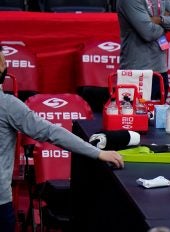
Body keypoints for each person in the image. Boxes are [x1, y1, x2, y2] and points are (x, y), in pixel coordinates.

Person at [0, 46, 124, 232]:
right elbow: (52, 133)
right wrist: (98, 153)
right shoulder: (8, 106)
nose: (6, 66)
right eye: (2, 63)